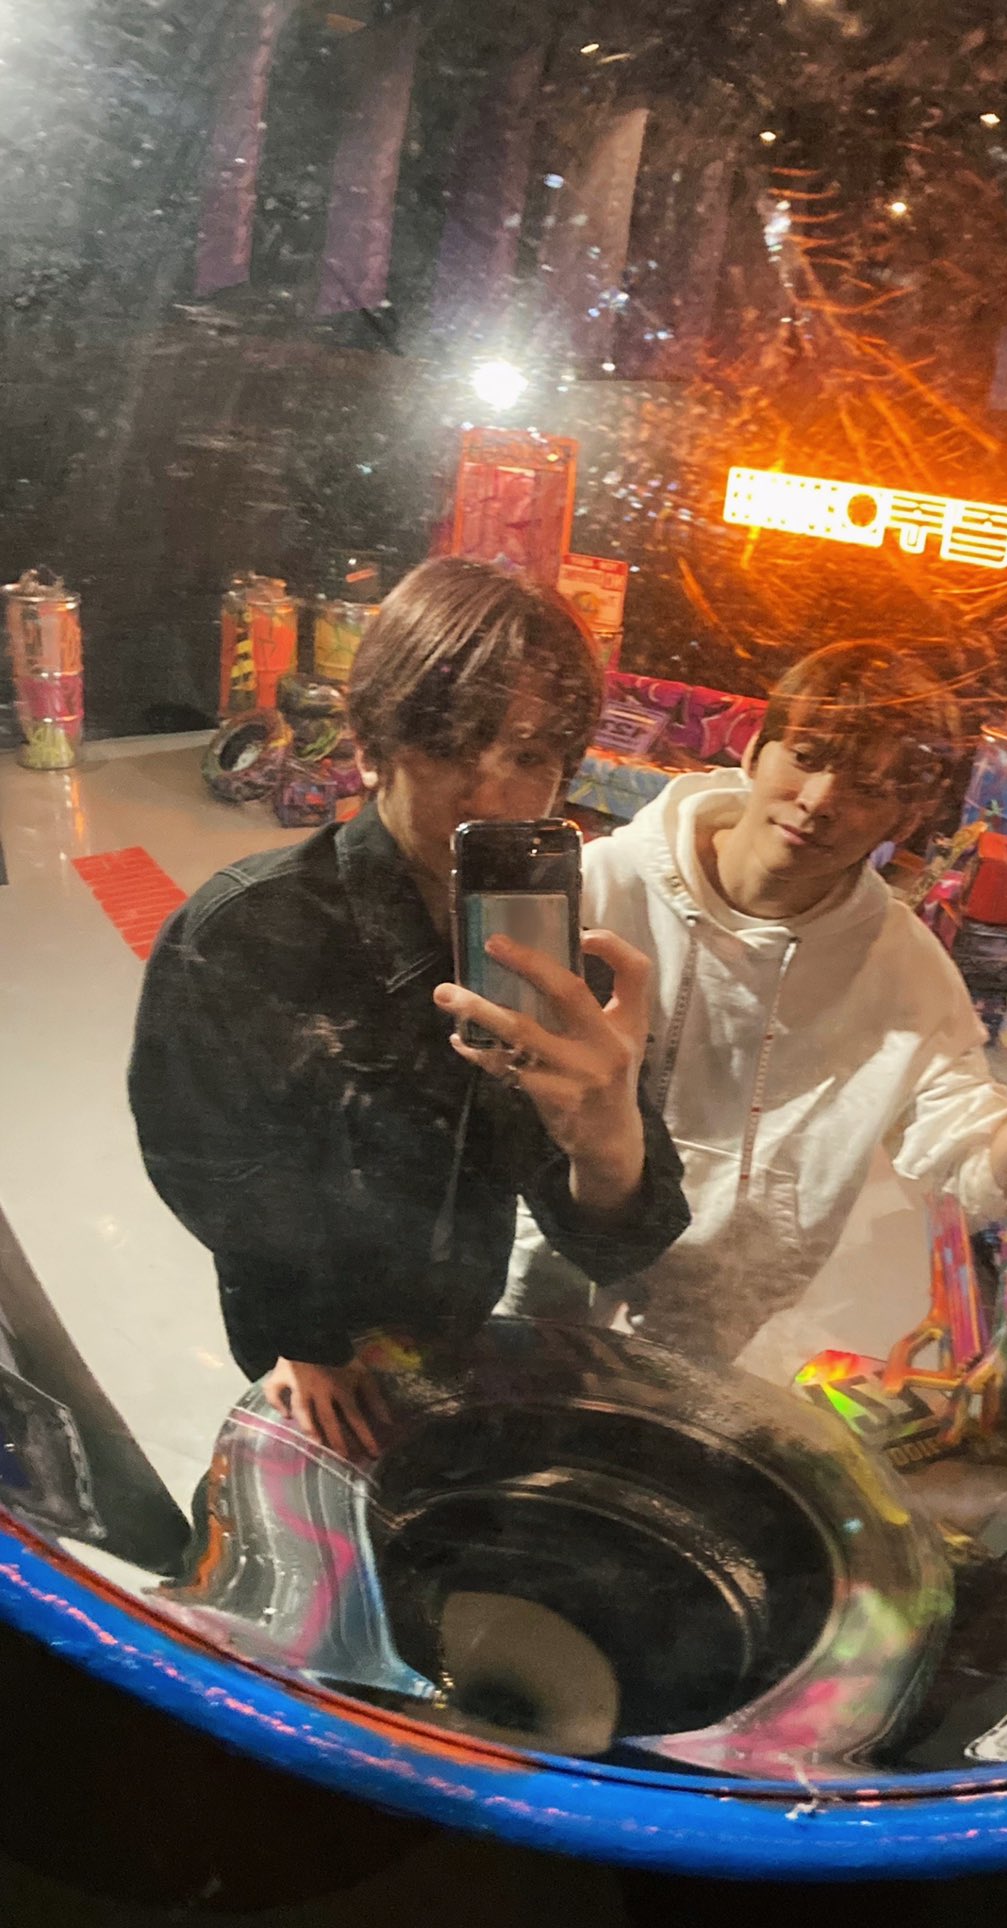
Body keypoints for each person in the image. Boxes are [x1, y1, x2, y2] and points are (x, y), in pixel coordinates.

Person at [504, 641, 1007, 1371]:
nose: (821, 801)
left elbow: (980, 1171)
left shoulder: (904, 971)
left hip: (716, 1293)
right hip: (552, 1241)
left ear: (903, 821)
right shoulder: (594, 887)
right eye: (807, 756)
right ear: (753, 751)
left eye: (870, 789)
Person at [130, 559, 689, 1458]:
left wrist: (610, 1142)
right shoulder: (250, 929)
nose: (489, 796)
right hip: (312, 1341)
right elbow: (212, 1165)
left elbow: (618, 1242)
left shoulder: (544, 948)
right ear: (372, 746)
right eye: (453, 745)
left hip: (458, 1326)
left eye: (529, 756)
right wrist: (303, 1341)